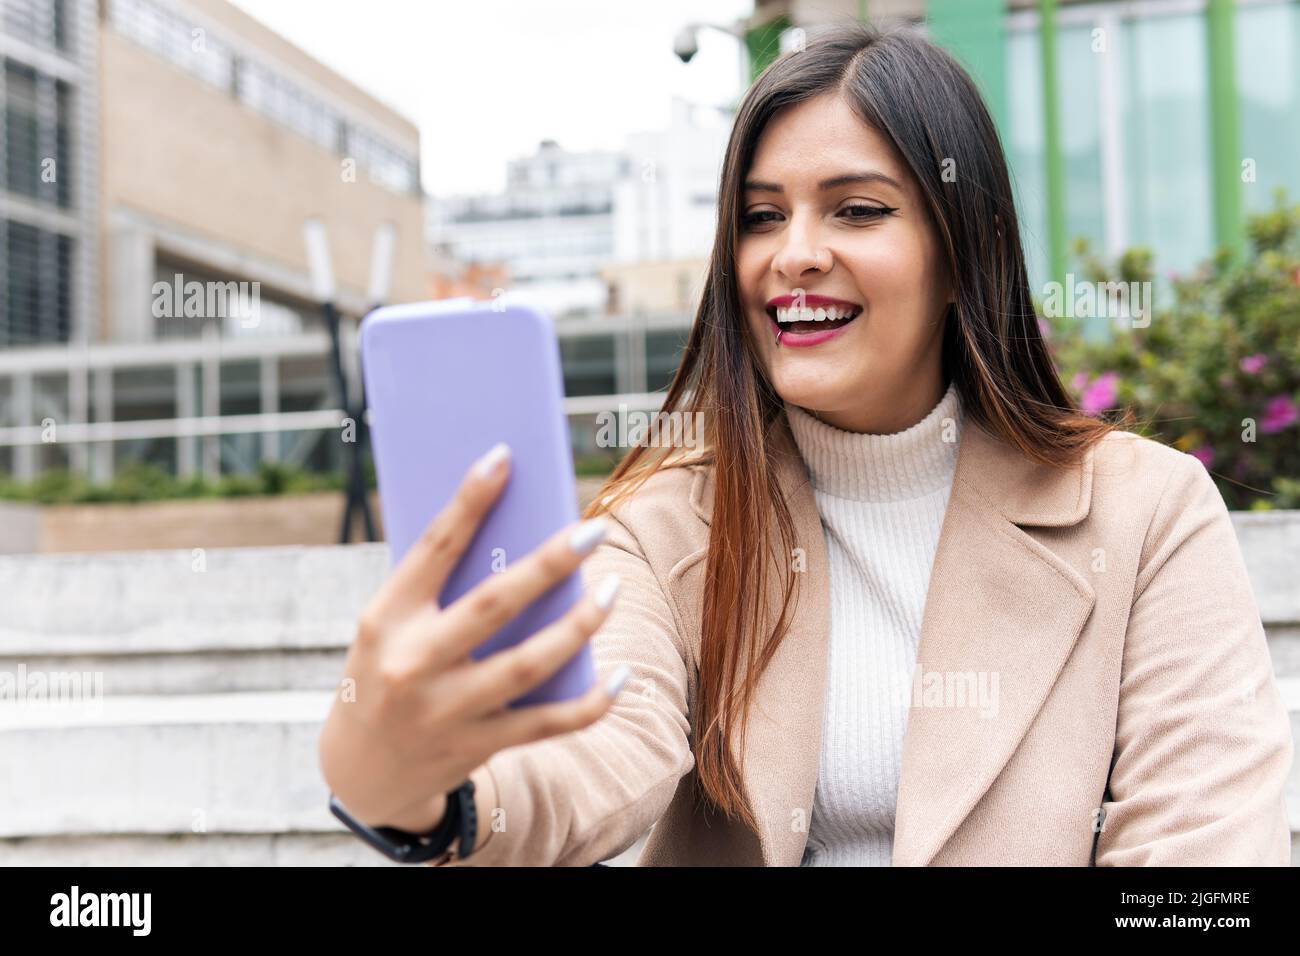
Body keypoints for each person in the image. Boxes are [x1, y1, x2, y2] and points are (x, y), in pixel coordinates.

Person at [318, 20, 1294, 867]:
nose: (793, 254)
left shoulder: (1144, 510)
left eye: (856, 209)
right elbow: (588, 757)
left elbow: (1204, 853)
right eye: (760, 216)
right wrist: (426, 790)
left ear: (964, 249)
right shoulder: (663, 529)